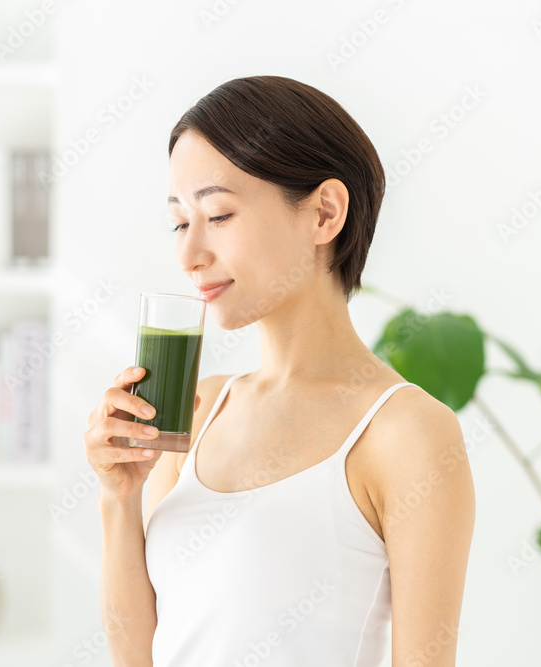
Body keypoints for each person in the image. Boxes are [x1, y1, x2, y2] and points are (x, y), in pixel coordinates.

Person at [84, 75, 475, 667]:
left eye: (219, 215)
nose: (189, 255)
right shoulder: (198, 410)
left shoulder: (407, 433)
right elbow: (140, 655)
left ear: (324, 213)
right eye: (180, 223)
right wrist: (118, 497)